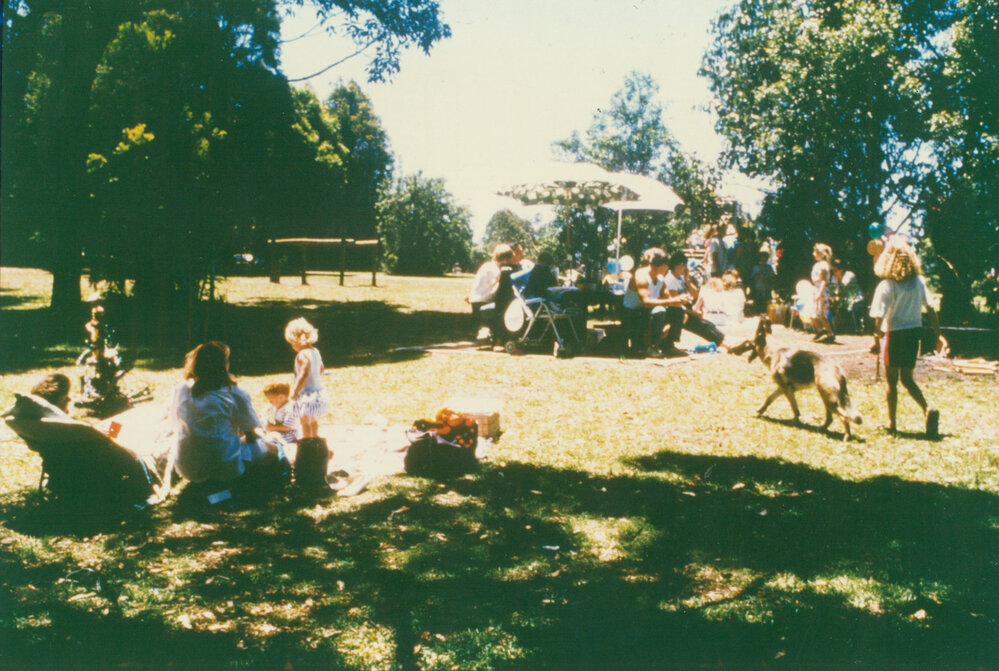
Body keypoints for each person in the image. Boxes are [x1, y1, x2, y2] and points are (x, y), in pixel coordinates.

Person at [868, 236, 946, 437]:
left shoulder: (887, 285)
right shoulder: (919, 282)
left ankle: (892, 423)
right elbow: (930, 309)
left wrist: (876, 339)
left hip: (894, 335)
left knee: (891, 382)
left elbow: (879, 315)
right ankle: (927, 409)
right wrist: (939, 335)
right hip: (914, 333)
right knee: (908, 379)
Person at [170, 342, 278, 484]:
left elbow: (175, 424)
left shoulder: (182, 389)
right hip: (225, 468)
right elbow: (251, 436)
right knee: (274, 449)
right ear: (224, 365)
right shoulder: (235, 392)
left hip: (188, 468)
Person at [623, 248, 689, 357]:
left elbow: (667, 298)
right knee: (659, 310)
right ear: (661, 265)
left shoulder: (660, 279)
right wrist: (673, 301)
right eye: (666, 266)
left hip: (648, 311)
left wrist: (681, 308)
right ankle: (652, 347)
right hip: (634, 312)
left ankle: (668, 346)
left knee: (679, 311)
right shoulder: (641, 275)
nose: (668, 269)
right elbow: (646, 302)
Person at [664, 252, 725, 347]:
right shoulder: (670, 280)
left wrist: (687, 280)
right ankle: (724, 344)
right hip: (678, 311)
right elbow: (674, 303)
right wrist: (693, 312)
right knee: (702, 326)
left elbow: (695, 294)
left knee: (707, 324)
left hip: (685, 309)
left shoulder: (680, 277)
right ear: (681, 265)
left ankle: (724, 342)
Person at [285, 318, 327, 440]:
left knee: (305, 422)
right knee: (312, 420)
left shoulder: (302, 354)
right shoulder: (315, 351)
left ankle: (307, 443)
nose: (292, 346)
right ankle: (315, 440)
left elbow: (303, 374)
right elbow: (321, 369)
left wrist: (294, 391)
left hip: (307, 395)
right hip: (318, 392)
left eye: (291, 343)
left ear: (296, 340)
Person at [810, 243, 836, 343]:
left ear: (822, 254)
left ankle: (830, 333)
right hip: (815, 288)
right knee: (813, 314)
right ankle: (821, 331)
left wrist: (820, 293)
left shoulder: (824, 265)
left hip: (821, 289)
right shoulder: (817, 264)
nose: (814, 254)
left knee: (821, 314)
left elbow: (823, 280)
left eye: (816, 252)